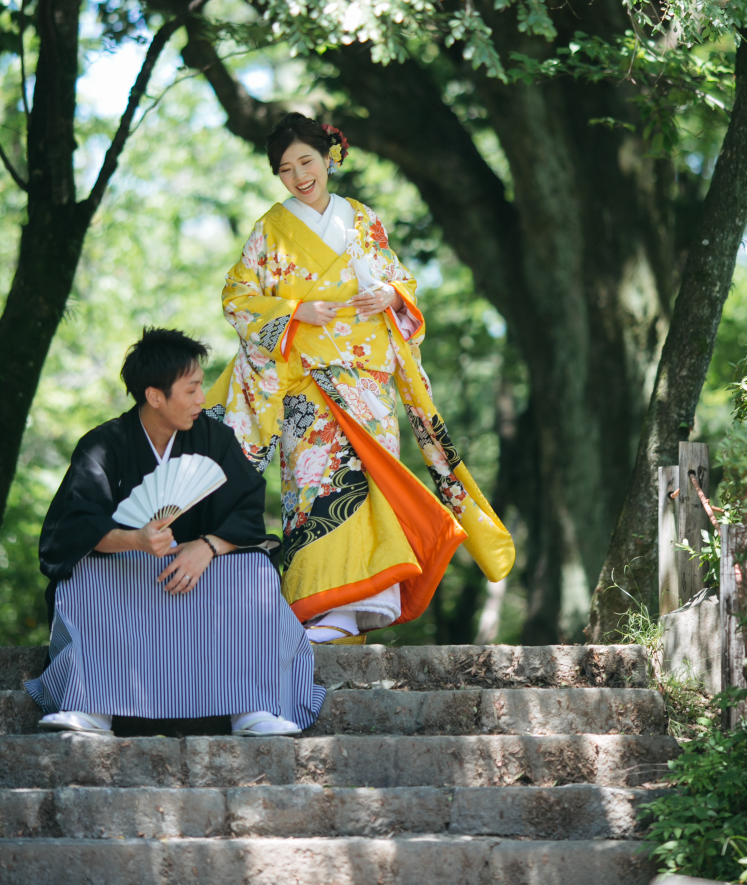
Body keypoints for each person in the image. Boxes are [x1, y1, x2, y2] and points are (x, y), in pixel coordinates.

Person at [204, 113, 515, 644]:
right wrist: (297, 311)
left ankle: (361, 609)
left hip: (368, 378)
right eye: (285, 169)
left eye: (306, 161)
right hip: (305, 383)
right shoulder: (269, 229)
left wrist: (391, 295)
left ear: (329, 157)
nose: (299, 176)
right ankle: (321, 612)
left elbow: (399, 277)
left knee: (372, 485)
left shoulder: (364, 219)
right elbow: (237, 298)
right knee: (316, 489)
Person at [25, 327, 325, 736]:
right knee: (83, 573)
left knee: (254, 571)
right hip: (128, 578)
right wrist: (133, 540)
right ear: (155, 396)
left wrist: (207, 547)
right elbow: (70, 529)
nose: (202, 398)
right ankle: (91, 704)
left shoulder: (215, 439)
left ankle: (253, 706)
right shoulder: (104, 445)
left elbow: (248, 510)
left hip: (203, 577)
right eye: (192, 388)